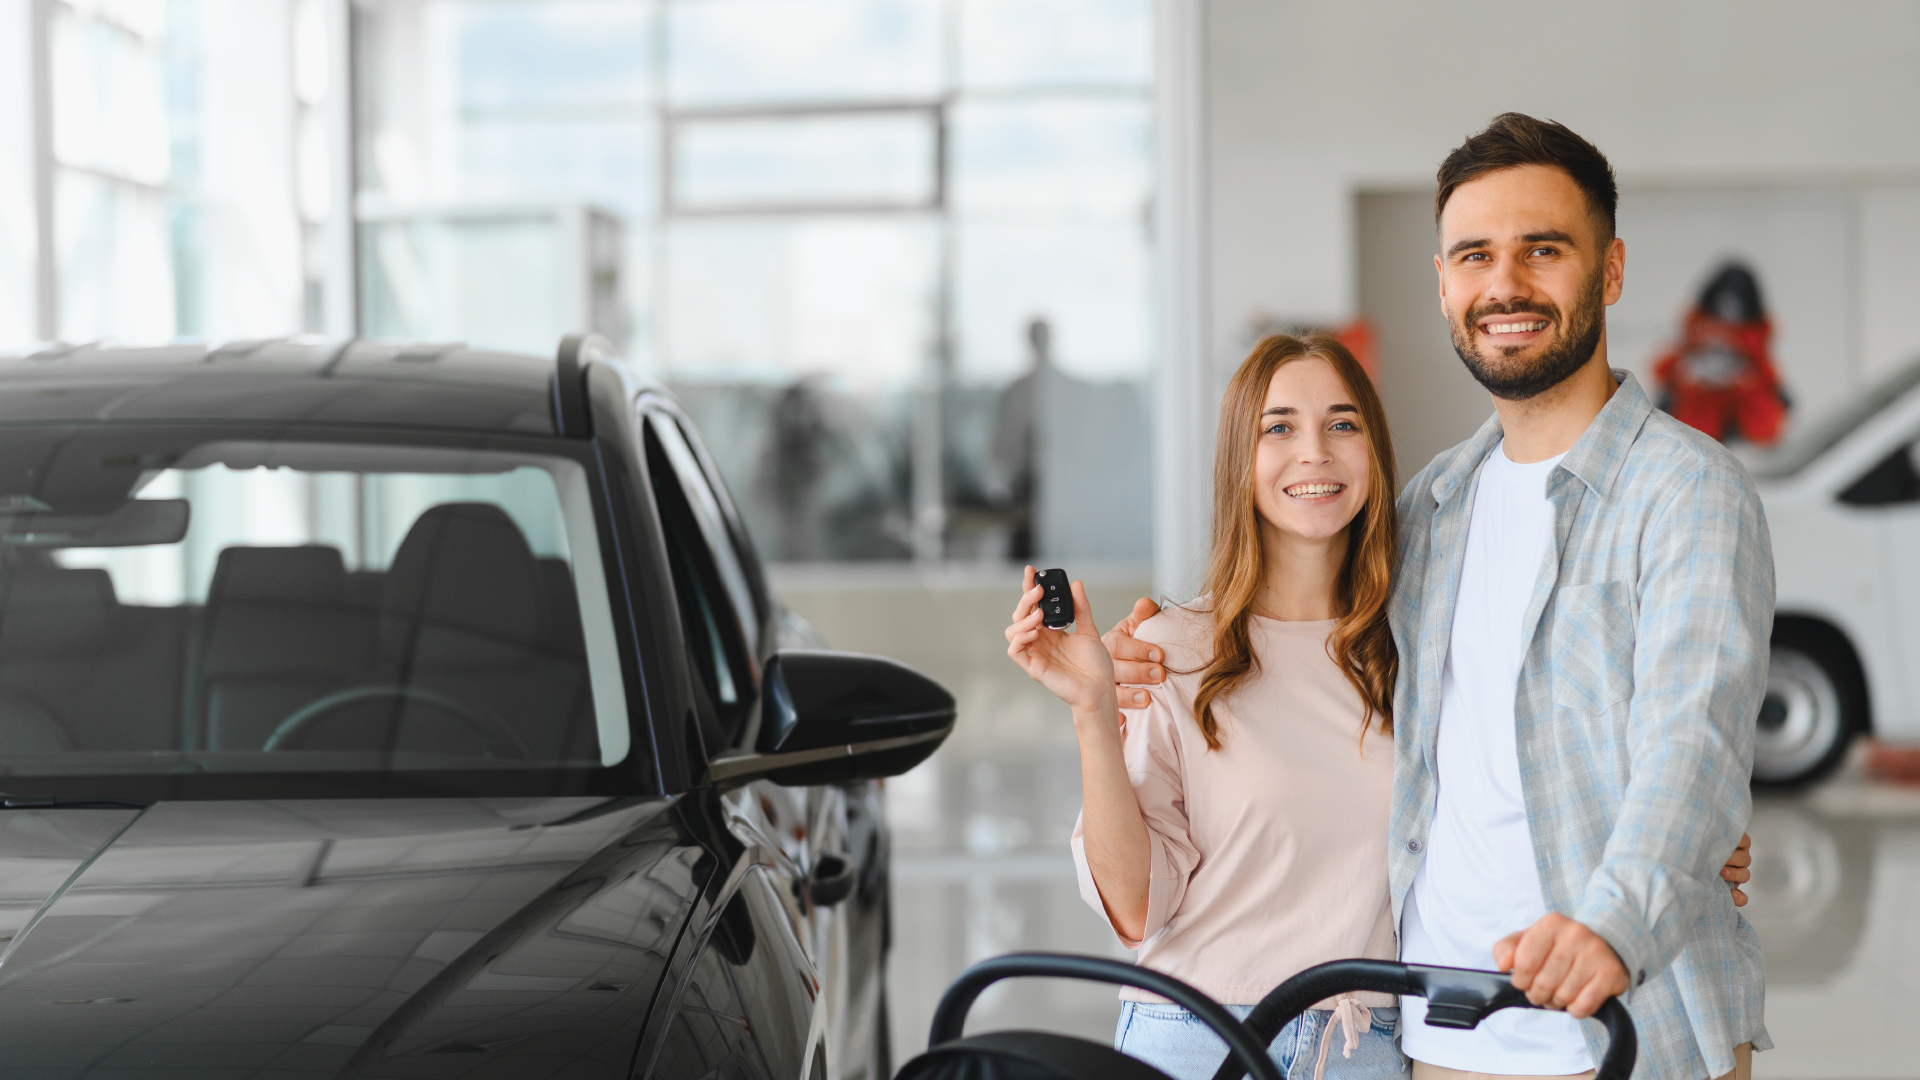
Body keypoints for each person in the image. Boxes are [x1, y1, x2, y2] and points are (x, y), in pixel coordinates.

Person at [1106, 113, 1766, 1080]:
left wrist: (1617, 924)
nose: (1504, 284)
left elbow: (1694, 743)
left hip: (1626, 1028)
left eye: (1543, 250)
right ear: (1445, 282)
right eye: (1474, 255)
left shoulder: (1687, 492)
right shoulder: (1433, 507)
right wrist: (1152, 652)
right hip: (1437, 1038)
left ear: (1611, 271)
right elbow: (1319, 645)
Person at [1007, 333, 1411, 1080]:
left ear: (1375, 452)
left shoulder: (1413, 650)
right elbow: (1136, 910)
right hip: (1197, 1037)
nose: (1314, 451)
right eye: (1279, 427)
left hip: (1370, 1045)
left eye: (1343, 423)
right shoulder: (1169, 646)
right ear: (1240, 462)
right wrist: (1094, 711)